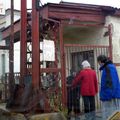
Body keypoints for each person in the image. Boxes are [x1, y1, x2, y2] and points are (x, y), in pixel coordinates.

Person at [97, 55, 120, 119]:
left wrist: (107, 97)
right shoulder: (109, 67)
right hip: (111, 95)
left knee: (111, 116)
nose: (99, 64)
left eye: (98, 62)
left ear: (101, 61)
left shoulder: (108, 68)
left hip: (110, 97)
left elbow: (111, 84)